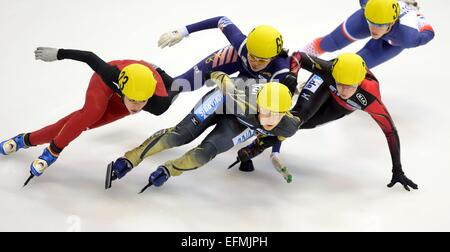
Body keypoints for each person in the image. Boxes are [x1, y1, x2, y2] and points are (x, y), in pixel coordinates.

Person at [237, 52, 418, 191]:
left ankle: (260, 140)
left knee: (304, 125)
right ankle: (254, 136)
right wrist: (293, 74)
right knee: (298, 118)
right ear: (335, 74)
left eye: (350, 86)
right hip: (324, 83)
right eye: (341, 84)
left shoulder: (370, 98)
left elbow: (390, 132)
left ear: (359, 82)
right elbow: (299, 56)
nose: (344, 90)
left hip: (342, 106)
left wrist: (397, 169)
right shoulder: (329, 70)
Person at [0, 47, 179, 183]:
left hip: (136, 87)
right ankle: (52, 152)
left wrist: (162, 73)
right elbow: (89, 57)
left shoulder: (158, 104)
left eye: (142, 101)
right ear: (123, 91)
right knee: (90, 113)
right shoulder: (111, 75)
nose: (137, 107)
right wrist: (58, 53)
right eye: (133, 100)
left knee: (80, 125)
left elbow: (178, 86)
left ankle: (24, 140)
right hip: (106, 84)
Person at [105, 71, 301, 190]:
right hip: (223, 100)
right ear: (258, 105)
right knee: (181, 135)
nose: (270, 120)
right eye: (266, 113)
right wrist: (209, 74)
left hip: (243, 122)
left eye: (277, 115)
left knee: (210, 149)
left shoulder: (289, 125)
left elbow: (278, 135)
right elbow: (219, 77)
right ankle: (130, 159)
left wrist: (257, 147)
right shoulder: (240, 97)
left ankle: (169, 170)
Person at [301, 0, 434, 68]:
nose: (374, 29)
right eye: (372, 23)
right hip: (366, 18)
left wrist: (419, 17)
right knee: (329, 43)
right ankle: (296, 59)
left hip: (394, 40)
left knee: (355, 65)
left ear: (391, 23)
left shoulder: (408, 36)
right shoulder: (369, 6)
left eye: (380, 25)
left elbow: (429, 32)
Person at [158, 16, 293, 92]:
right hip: (236, 58)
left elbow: (276, 114)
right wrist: (182, 31)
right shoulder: (241, 44)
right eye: (252, 56)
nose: (255, 63)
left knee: (236, 105)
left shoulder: (280, 71)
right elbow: (221, 20)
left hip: (258, 81)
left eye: (262, 60)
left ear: (273, 57)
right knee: (181, 83)